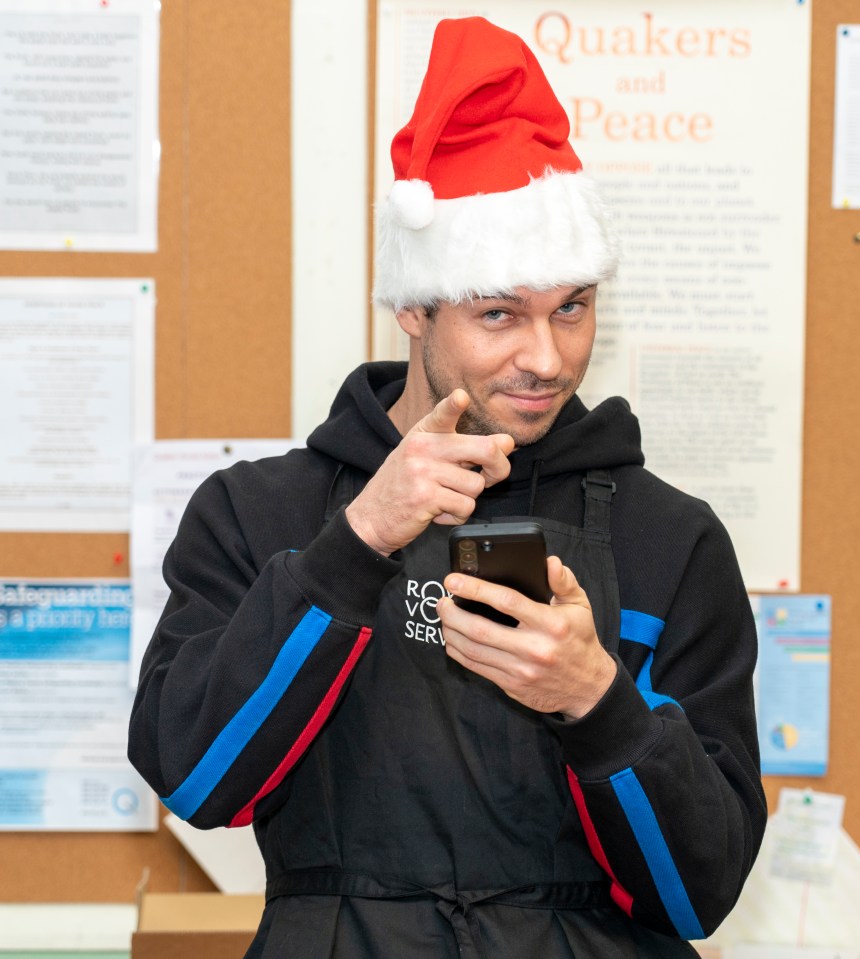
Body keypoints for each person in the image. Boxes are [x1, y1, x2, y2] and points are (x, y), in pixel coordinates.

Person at [128, 16, 766, 958]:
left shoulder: (669, 537)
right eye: (500, 313)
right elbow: (195, 776)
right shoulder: (257, 512)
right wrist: (354, 547)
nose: (546, 358)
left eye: (573, 309)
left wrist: (597, 697)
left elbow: (699, 890)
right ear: (414, 307)